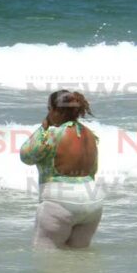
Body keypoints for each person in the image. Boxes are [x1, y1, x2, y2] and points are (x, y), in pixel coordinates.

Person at [20, 90, 102, 250]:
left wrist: (42, 128)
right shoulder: (90, 135)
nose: (48, 113)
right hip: (93, 201)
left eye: (49, 109)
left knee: (45, 258)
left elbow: (26, 155)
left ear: (57, 110)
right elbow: (93, 170)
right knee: (79, 258)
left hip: (60, 201)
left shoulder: (53, 134)